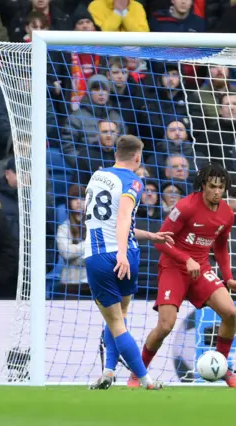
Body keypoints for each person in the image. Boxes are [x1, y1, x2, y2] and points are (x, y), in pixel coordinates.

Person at [133, 163, 236, 388]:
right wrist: (186, 259)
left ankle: (221, 366)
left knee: (230, 313)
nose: (217, 192)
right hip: (174, 267)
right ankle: (137, 373)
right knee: (165, 326)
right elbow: (160, 242)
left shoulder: (227, 213)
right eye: (212, 186)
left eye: (221, 187)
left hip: (201, 269)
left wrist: (228, 276)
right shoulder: (185, 207)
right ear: (203, 185)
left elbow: (221, 247)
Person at [85, 135, 174, 390]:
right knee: (120, 318)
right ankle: (110, 373)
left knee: (115, 321)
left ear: (116, 153)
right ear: (137, 157)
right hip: (125, 255)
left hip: (99, 256)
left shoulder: (97, 176)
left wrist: (149, 235)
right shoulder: (132, 180)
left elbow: (113, 221)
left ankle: (142, 378)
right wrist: (123, 253)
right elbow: (123, 218)